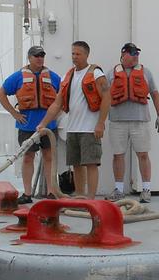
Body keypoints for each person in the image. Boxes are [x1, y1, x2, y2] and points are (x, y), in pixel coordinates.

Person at [42, 41, 109, 198]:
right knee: (76, 165)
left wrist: (100, 123)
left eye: (78, 54)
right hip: (72, 129)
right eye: (73, 53)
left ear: (86, 55)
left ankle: (91, 199)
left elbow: (107, 97)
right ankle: (80, 196)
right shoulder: (68, 75)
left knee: (91, 164)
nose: (74, 57)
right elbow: (58, 103)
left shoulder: (96, 74)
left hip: (90, 129)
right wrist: (43, 123)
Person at [0, 45, 61, 203]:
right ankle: (27, 193)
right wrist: (14, 113)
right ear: (29, 58)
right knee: (27, 157)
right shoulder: (18, 77)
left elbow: (62, 98)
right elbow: (0, 94)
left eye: (42, 55)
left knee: (49, 157)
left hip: (48, 126)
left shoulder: (53, 77)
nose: (40, 58)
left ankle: (51, 193)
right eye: (36, 55)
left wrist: (56, 115)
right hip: (26, 125)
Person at [107, 42, 159, 202]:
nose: (135, 56)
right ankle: (119, 189)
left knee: (143, 154)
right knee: (118, 155)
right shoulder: (111, 73)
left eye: (137, 53)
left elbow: (155, 93)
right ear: (123, 54)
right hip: (117, 121)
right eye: (132, 53)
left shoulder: (146, 72)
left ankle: (146, 189)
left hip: (140, 120)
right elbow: (103, 96)